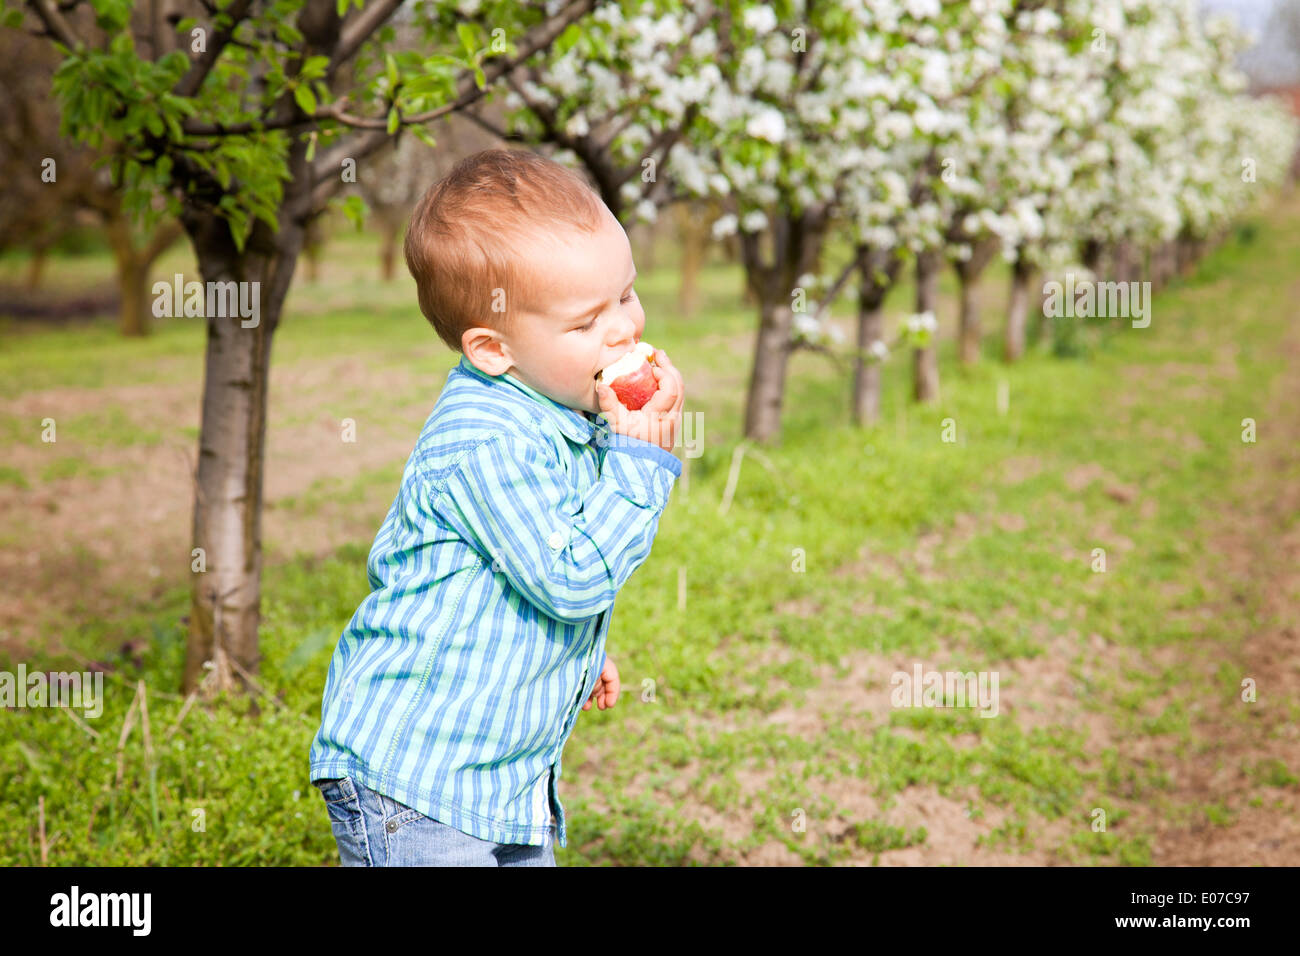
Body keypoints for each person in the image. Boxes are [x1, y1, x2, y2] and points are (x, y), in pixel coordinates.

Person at [308, 147, 685, 866]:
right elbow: (570, 576)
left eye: (626, 295)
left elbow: (535, 559)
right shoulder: (483, 441)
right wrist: (643, 465)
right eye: (583, 324)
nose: (622, 330)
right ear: (492, 347)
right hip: (416, 785)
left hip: (498, 783)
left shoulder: (555, 413)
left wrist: (573, 655)